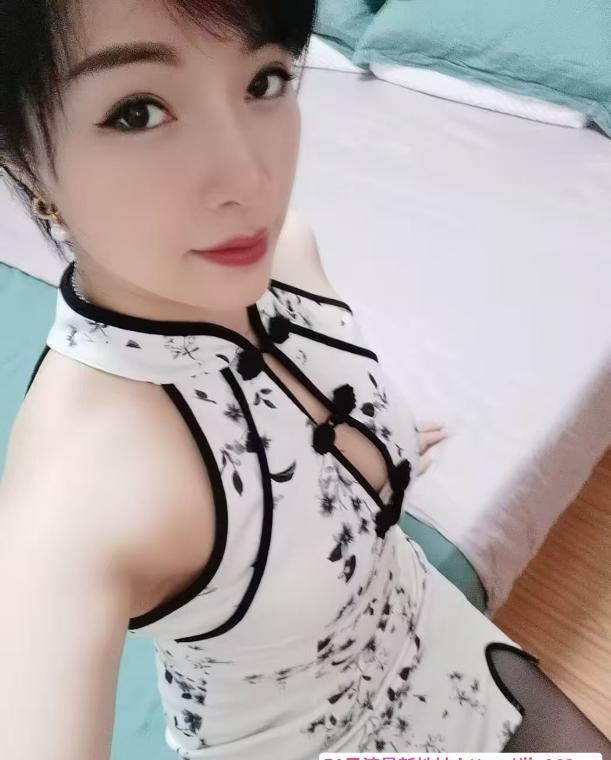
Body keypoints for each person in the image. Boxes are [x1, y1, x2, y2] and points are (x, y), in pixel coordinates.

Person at [0, 1, 608, 758]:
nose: (248, 178)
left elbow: (300, 423)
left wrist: (371, 446)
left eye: (264, 81)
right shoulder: (79, 490)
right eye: (139, 112)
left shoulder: (287, 253)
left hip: (450, 649)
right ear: (22, 157)